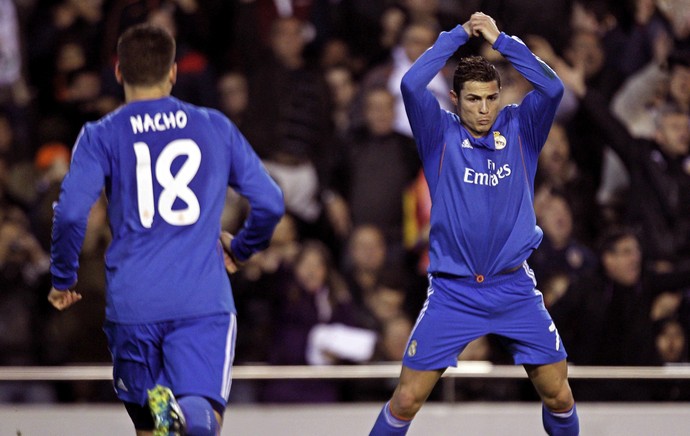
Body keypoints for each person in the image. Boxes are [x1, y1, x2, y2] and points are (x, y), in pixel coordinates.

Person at [47, 24, 284, 436]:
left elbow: (69, 214)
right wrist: (241, 249)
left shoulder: (100, 134)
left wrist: (63, 277)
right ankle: (186, 414)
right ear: (173, 72)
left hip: (133, 302)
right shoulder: (214, 125)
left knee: (153, 428)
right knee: (198, 417)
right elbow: (270, 202)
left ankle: (167, 410)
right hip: (200, 298)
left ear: (119, 72)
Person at [369, 13, 579, 435]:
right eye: (472, 99)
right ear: (454, 98)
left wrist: (503, 41)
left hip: (513, 288)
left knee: (559, 395)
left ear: (500, 96)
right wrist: (456, 36)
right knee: (406, 399)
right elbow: (411, 84)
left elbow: (554, 86)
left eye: (490, 98)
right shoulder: (438, 134)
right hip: (454, 291)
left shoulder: (522, 128)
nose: (483, 109)